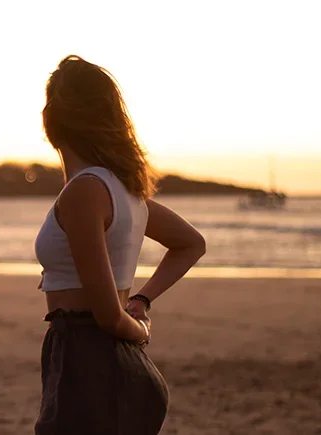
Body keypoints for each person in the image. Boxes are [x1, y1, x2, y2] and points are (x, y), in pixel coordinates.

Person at [32, 55, 207, 434]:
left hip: (88, 358)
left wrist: (138, 326)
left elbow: (108, 316)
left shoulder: (85, 192)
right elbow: (191, 244)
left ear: (51, 121)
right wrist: (142, 301)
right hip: (110, 364)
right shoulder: (124, 192)